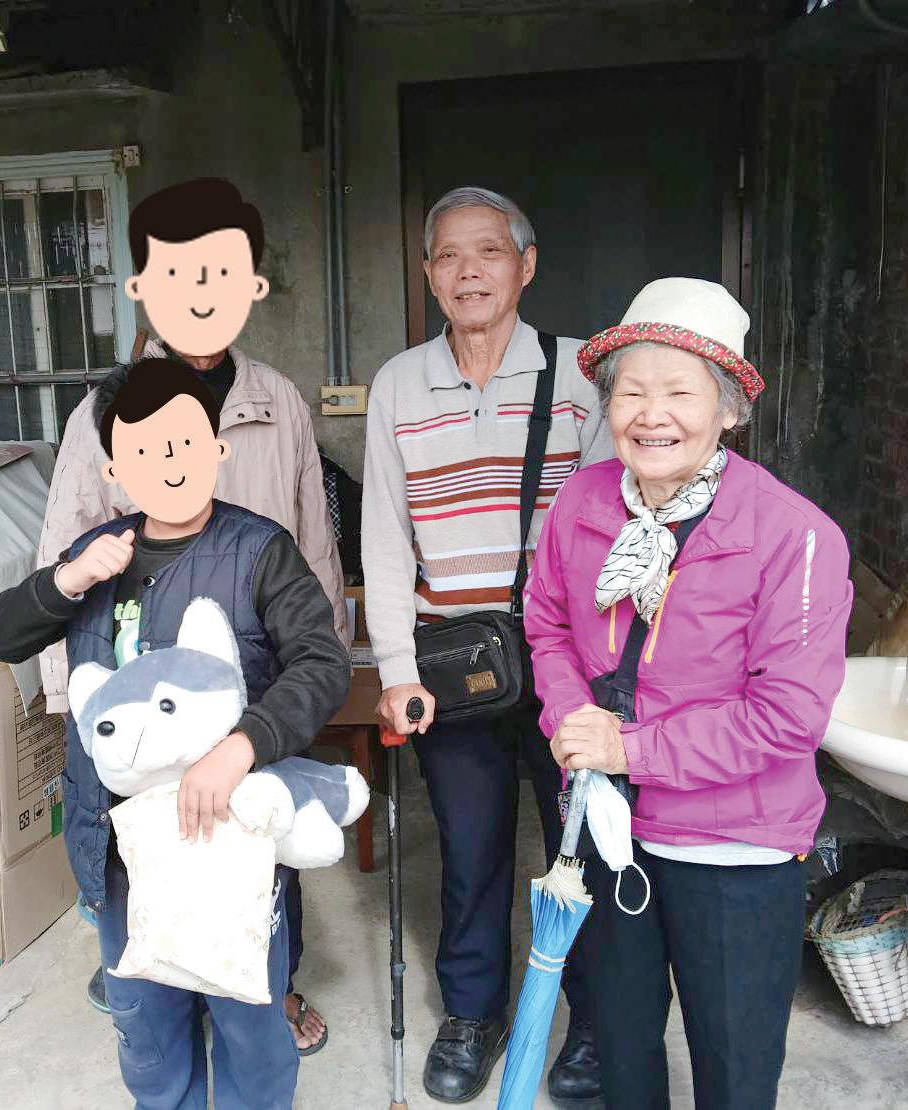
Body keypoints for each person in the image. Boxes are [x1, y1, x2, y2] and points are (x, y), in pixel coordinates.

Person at [524, 277, 853, 1110]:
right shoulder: (580, 501)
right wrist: (572, 720)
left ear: (728, 409)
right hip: (609, 827)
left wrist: (628, 748)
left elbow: (787, 717)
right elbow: (547, 625)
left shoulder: (794, 535)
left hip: (733, 847)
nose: (651, 414)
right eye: (630, 392)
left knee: (733, 1067)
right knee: (623, 1049)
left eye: (678, 392)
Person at [0, 359, 350, 1107]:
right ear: (115, 469)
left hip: (231, 847)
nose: (169, 462)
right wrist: (67, 580)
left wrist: (243, 745)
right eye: (145, 450)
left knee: (250, 1031)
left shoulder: (259, 550)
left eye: (183, 443)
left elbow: (321, 663)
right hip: (121, 853)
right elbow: (1, 632)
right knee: (149, 1037)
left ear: (215, 447)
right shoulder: (98, 556)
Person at [37, 178, 341, 1051]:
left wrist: (316, 676)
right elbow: (65, 541)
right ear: (143, 285)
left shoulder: (275, 397)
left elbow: (311, 534)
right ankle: (154, 976)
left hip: (254, 674)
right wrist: (70, 698)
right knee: (147, 840)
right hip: (140, 679)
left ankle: (270, 986)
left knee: (256, 838)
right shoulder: (103, 410)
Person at [362, 186, 612, 1105]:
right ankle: (474, 1013)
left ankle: (593, 1020)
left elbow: (605, 531)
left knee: (580, 847)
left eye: (489, 252)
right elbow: (384, 536)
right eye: (448, 256)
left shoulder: (582, 375)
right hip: (451, 663)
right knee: (469, 852)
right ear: (428, 274)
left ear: (525, 265)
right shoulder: (397, 383)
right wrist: (395, 669)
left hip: (563, 663)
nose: (468, 271)